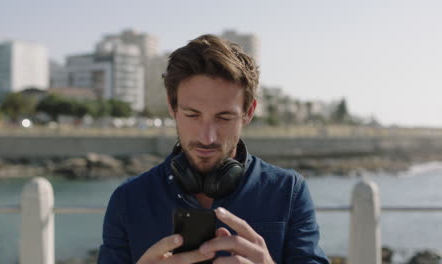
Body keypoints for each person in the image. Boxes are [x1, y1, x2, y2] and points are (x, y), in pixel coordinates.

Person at [98, 34, 329, 264]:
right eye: (192, 115)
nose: (207, 137)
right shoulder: (127, 200)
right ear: (172, 106)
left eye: (224, 117)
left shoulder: (288, 192)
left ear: (248, 112)